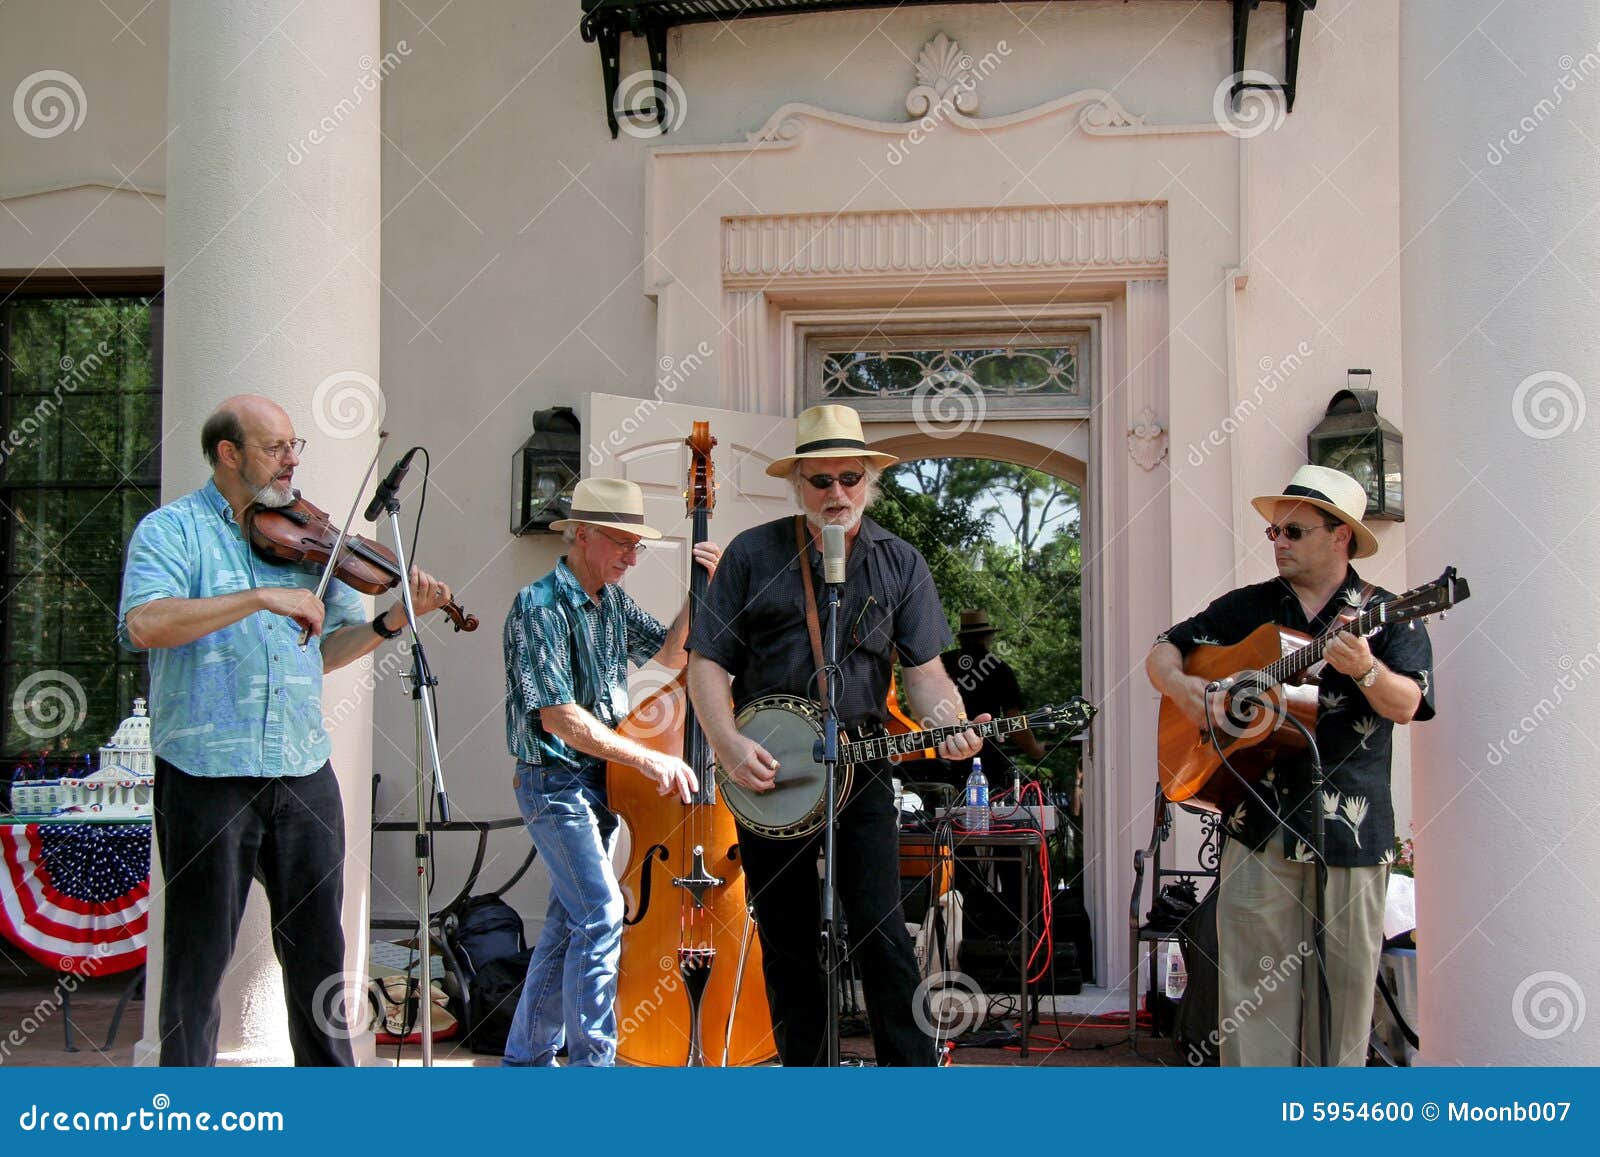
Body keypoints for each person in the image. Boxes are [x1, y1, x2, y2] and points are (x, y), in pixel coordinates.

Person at [119, 394, 455, 1066]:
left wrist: (392, 621)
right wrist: (259, 596)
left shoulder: (308, 538)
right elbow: (146, 623)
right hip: (206, 776)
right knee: (197, 956)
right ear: (228, 454)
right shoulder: (171, 531)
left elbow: (329, 647)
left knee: (319, 955)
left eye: (295, 444)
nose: (292, 458)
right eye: (275, 446)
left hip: (301, 770)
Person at [687, 404, 985, 1067]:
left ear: (869, 481)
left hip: (862, 762)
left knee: (881, 927)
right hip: (767, 767)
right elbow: (705, 662)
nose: (836, 493)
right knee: (789, 937)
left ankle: (909, 1083)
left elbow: (927, 677)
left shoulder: (899, 562)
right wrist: (728, 747)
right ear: (798, 484)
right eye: (820, 480)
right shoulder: (752, 553)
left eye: (850, 477)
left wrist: (950, 725)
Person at [1144, 465, 1435, 1066]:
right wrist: (1186, 691)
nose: (1278, 542)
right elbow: (1163, 649)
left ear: (1340, 536)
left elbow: (1408, 704)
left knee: (1346, 998)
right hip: (1259, 823)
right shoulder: (1247, 608)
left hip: (1349, 829)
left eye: (1293, 531)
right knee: (1251, 997)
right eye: (1274, 532)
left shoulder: (1389, 613)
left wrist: (1365, 669)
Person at [501, 476, 719, 1067]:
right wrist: (649, 757)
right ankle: (593, 1068)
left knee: (568, 927)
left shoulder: (613, 603)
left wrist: (701, 594)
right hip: (554, 784)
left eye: (636, 545)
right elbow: (559, 719)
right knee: (601, 916)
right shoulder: (538, 604)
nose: (630, 555)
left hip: (596, 786)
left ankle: (524, 1062)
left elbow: (671, 656)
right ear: (582, 534)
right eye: (621, 542)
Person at [939, 609, 1047, 790]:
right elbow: (1013, 720)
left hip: (943, 751)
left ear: (961, 638)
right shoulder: (998, 669)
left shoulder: (943, 663)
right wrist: (1034, 749)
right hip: (985, 759)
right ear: (987, 637)